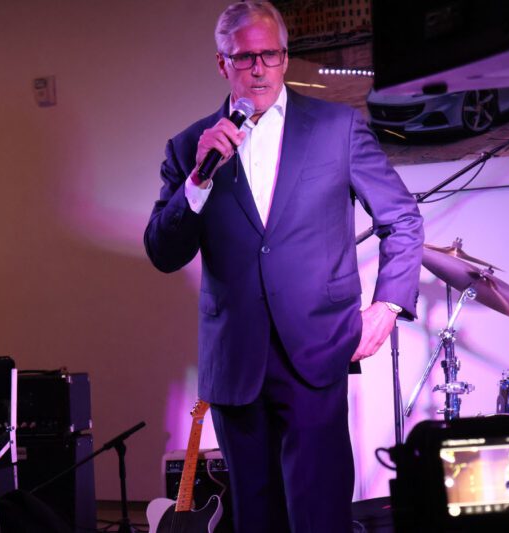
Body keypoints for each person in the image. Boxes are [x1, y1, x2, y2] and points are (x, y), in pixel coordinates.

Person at [144, 2, 423, 531]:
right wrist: (197, 182)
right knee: (255, 519)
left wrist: (387, 307)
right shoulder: (188, 147)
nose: (259, 69)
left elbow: (403, 219)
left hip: (316, 350)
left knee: (320, 516)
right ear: (222, 63)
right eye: (245, 57)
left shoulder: (337, 127)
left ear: (285, 57)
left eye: (270, 55)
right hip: (235, 362)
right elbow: (163, 252)